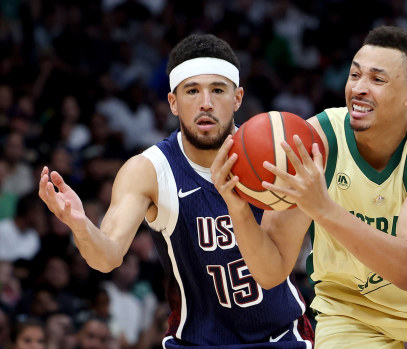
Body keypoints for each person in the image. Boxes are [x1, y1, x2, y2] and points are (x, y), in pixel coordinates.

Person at [212, 25, 407, 348]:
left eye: (377, 79)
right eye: (355, 75)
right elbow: (271, 272)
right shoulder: (315, 142)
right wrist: (238, 208)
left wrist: (323, 209)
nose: (359, 88)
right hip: (351, 310)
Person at [38, 33, 313, 348]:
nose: (205, 103)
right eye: (192, 91)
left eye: (218, 90)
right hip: (195, 341)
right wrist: (80, 224)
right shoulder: (149, 171)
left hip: (281, 337)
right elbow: (107, 257)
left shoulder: (274, 156)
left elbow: (274, 271)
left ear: (237, 98)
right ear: (173, 102)